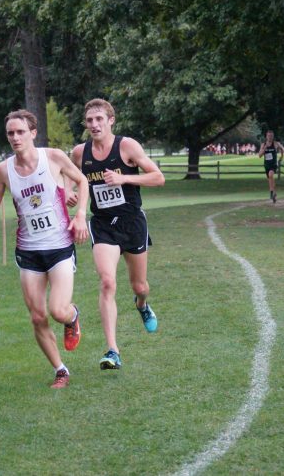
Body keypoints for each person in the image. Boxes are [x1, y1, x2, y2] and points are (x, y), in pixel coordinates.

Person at [0, 109, 89, 389]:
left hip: (59, 247)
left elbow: (82, 180)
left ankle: (73, 316)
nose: (15, 137)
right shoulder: (3, 171)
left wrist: (80, 215)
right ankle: (61, 370)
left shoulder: (52, 157)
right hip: (28, 251)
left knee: (57, 310)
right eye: (10, 133)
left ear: (32, 133)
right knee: (37, 316)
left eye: (20, 132)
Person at [69, 98, 165, 371]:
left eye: (99, 119)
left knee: (140, 286)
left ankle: (142, 305)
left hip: (132, 222)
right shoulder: (79, 153)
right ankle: (113, 350)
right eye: (90, 121)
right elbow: (69, 178)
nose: (94, 125)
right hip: (102, 225)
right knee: (107, 282)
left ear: (111, 120)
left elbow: (158, 177)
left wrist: (124, 178)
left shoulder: (127, 146)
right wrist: (69, 193)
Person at [257, 130, 284, 203]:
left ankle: (272, 192)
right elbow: (260, 155)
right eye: (268, 136)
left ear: (273, 137)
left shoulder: (276, 144)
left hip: (273, 164)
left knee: (271, 175)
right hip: (267, 164)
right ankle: (273, 192)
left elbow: (283, 149)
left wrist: (282, 156)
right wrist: (264, 148)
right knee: (270, 178)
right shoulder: (263, 145)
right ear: (266, 136)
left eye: (271, 136)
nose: (270, 137)